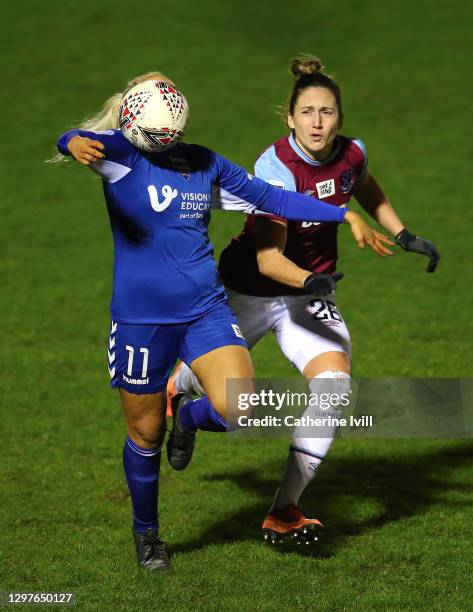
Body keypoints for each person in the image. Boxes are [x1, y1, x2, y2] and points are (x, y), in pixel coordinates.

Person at [54, 70, 389, 571]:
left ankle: (186, 417)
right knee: (144, 437)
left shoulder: (203, 162)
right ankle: (148, 535)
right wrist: (72, 142)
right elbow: (76, 139)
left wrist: (345, 215)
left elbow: (271, 198)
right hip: (142, 322)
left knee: (242, 409)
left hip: (206, 311)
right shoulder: (120, 153)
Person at [169, 55, 440, 545]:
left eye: (328, 112)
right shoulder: (275, 168)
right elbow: (270, 260)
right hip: (251, 289)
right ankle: (179, 399)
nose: (318, 122)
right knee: (210, 386)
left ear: (340, 117)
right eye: (308, 112)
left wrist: (402, 233)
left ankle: (284, 511)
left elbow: (362, 184)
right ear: (290, 119)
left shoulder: (351, 153)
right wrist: (314, 282)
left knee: (334, 389)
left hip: (307, 293)